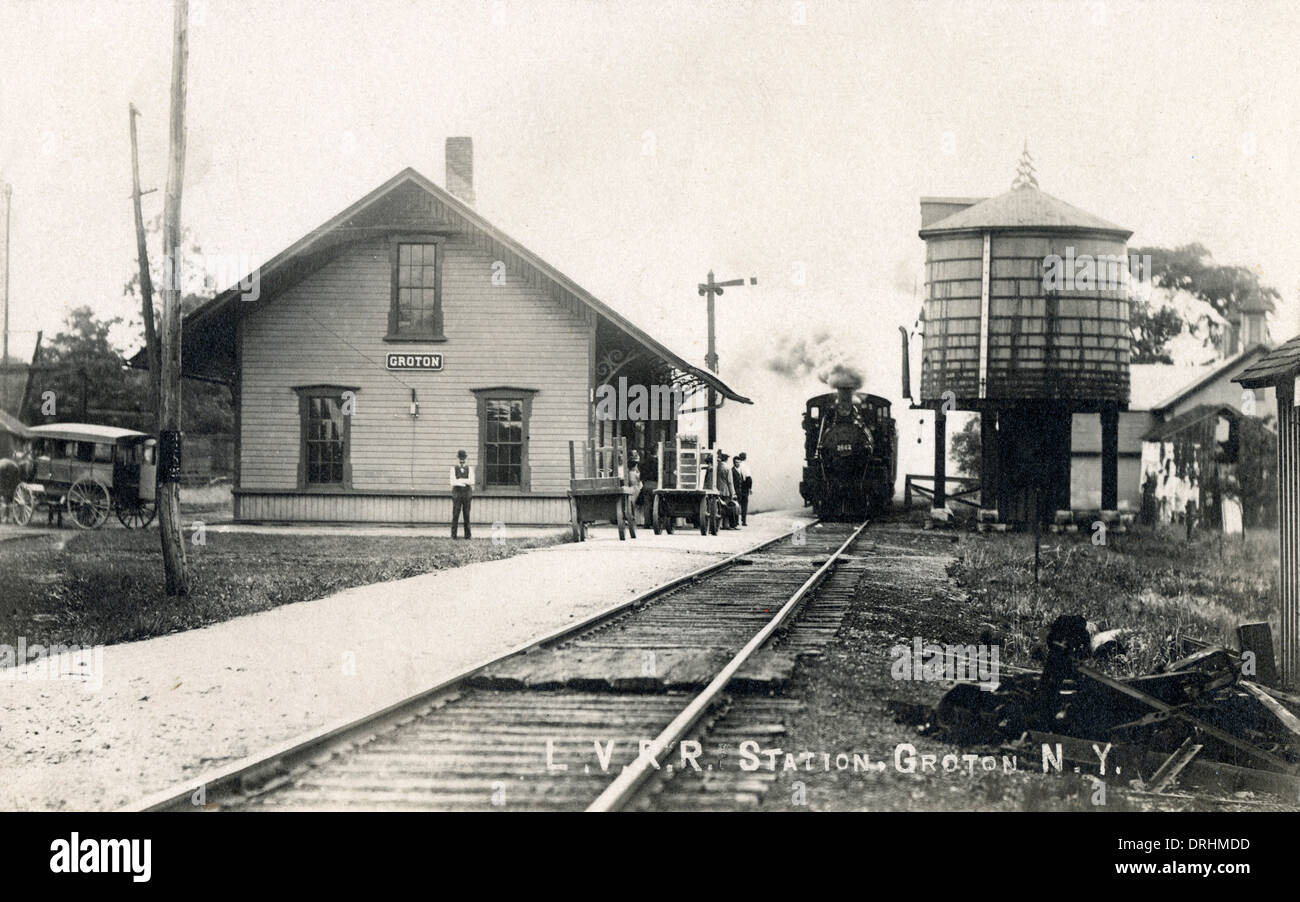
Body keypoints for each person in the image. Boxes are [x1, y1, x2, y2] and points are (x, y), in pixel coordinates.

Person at [449, 449, 474, 539]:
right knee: (455, 514)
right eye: (460, 458)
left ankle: (467, 535)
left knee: (466, 514)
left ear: (465, 459)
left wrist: (459, 480)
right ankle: (453, 535)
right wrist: (464, 482)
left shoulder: (469, 469)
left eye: (463, 458)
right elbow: (452, 482)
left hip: (467, 493)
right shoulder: (453, 469)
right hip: (457, 493)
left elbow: (472, 481)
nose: (462, 460)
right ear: (458, 459)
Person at [716, 451, 738, 529]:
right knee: (727, 508)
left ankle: (719, 524)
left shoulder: (717, 467)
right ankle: (726, 525)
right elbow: (730, 482)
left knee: (719, 508)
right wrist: (733, 493)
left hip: (717, 489)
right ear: (726, 459)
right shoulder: (727, 468)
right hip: (726, 490)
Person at [735, 452, 753, 526]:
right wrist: (750, 488)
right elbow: (749, 478)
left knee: (737, 504)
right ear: (745, 458)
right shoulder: (746, 466)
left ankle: (736, 521)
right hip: (745, 487)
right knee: (744, 505)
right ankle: (744, 521)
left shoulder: (737, 466)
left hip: (738, 487)